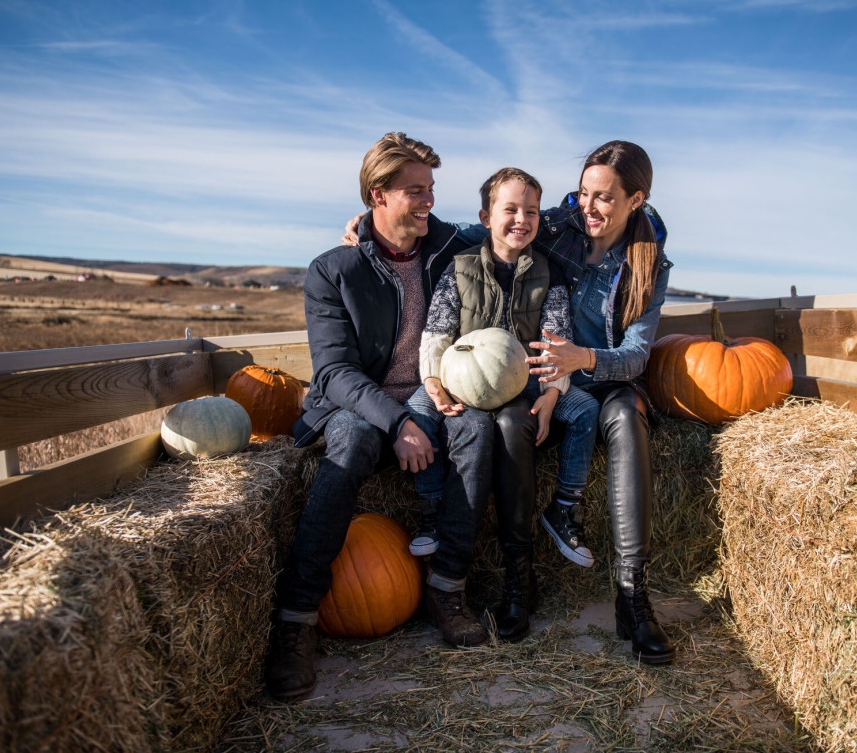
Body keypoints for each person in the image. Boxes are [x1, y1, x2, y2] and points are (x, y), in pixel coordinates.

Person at [342, 141, 677, 664]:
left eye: (605, 198)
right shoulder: (554, 227)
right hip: (533, 378)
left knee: (626, 420)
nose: (588, 207)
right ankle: (519, 582)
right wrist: (374, 224)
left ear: (635, 200)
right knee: (508, 423)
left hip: (597, 376)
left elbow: (635, 356)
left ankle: (633, 598)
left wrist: (580, 359)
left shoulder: (648, 265)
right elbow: (480, 229)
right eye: (584, 193)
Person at [267, 133, 495, 702]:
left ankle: (447, 588)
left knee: (477, 427)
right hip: (359, 402)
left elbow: (518, 216)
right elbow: (333, 374)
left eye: (432, 190)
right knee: (347, 448)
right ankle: (296, 620)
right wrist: (399, 424)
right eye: (415, 191)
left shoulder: (449, 247)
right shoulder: (333, 270)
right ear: (378, 194)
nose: (428, 202)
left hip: (436, 390)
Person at [405, 167, 601, 642]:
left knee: (568, 414)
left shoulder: (546, 273)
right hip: (464, 381)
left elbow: (558, 340)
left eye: (530, 211)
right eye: (509, 209)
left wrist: (554, 394)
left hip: (527, 383)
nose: (521, 219)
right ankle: (432, 508)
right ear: (485, 217)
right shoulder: (461, 267)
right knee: (417, 415)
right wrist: (433, 381)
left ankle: (543, 542)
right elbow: (436, 332)